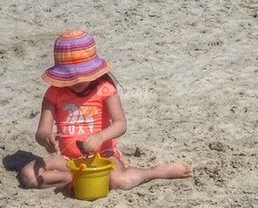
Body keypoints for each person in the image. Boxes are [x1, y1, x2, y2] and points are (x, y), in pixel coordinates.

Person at [16, 30, 194, 192]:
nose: (77, 81)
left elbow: (120, 124)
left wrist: (100, 137)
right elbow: (42, 131)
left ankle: (155, 172)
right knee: (28, 175)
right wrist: (46, 139)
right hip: (67, 159)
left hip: (103, 155)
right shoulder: (54, 93)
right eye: (71, 77)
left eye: (81, 75)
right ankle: (72, 178)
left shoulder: (105, 89)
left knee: (120, 181)